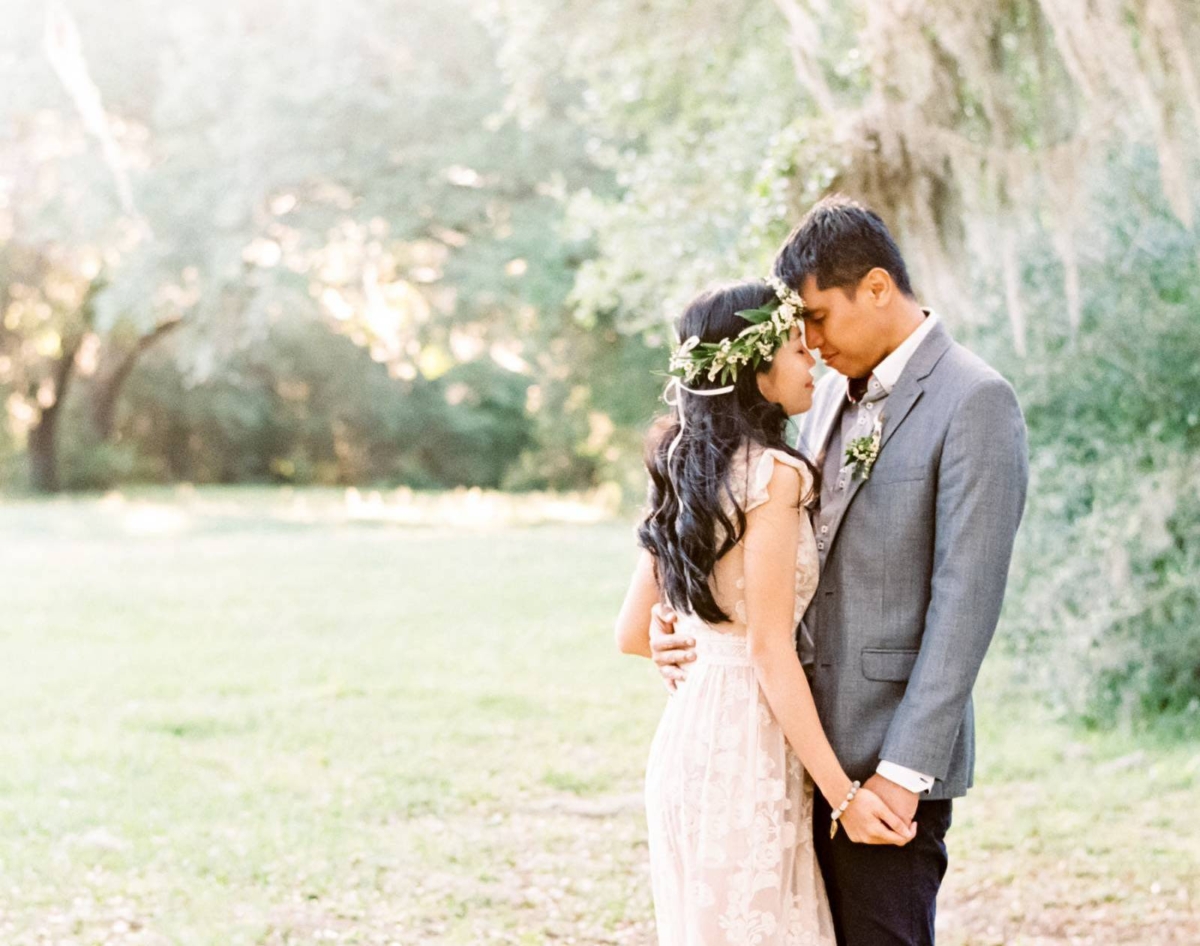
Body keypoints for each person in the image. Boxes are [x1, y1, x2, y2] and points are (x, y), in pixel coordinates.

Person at [649, 195, 1029, 945]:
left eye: (817, 318)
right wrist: (682, 621)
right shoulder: (821, 401)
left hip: (882, 762)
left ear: (878, 288)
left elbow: (965, 605)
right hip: (783, 756)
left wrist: (904, 771)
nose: (809, 344)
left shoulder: (976, 401)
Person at [614, 277, 917, 946]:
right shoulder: (775, 475)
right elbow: (769, 649)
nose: (811, 356)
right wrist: (845, 796)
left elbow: (632, 633)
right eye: (794, 349)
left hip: (687, 738)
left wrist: (678, 633)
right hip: (747, 745)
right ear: (756, 368)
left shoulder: (680, 463)